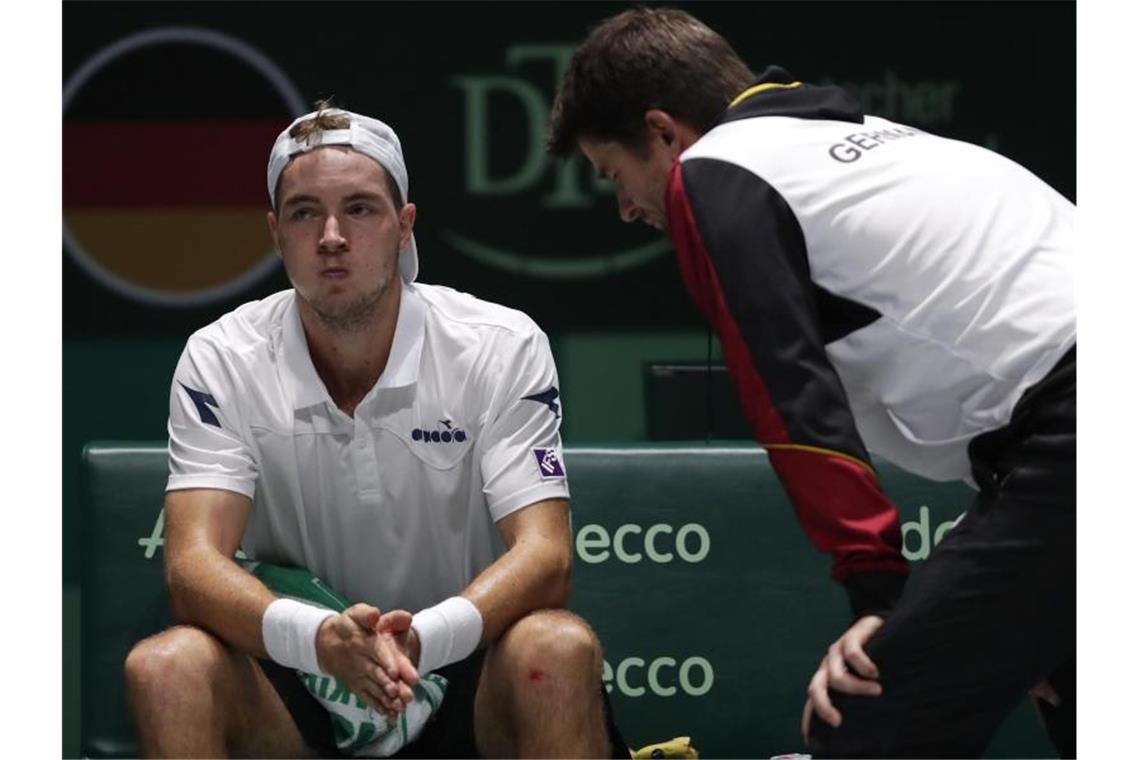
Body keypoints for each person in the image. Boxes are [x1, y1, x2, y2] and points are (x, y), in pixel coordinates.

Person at [547, 8, 1074, 758]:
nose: (627, 206)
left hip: (1075, 433)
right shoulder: (878, 145)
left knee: (865, 711)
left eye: (615, 175)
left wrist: (879, 598)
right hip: (1060, 444)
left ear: (663, 132)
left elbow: (789, 394)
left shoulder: (716, 174)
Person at [123, 104, 626, 759]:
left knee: (555, 647)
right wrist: (322, 641)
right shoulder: (220, 357)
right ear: (277, 233)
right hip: (298, 675)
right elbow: (192, 567)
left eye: (359, 209)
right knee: (165, 667)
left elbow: (547, 557)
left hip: (463, 668)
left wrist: (420, 639)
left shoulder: (500, 344)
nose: (332, 235)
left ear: (403, 226)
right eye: (306, 212)